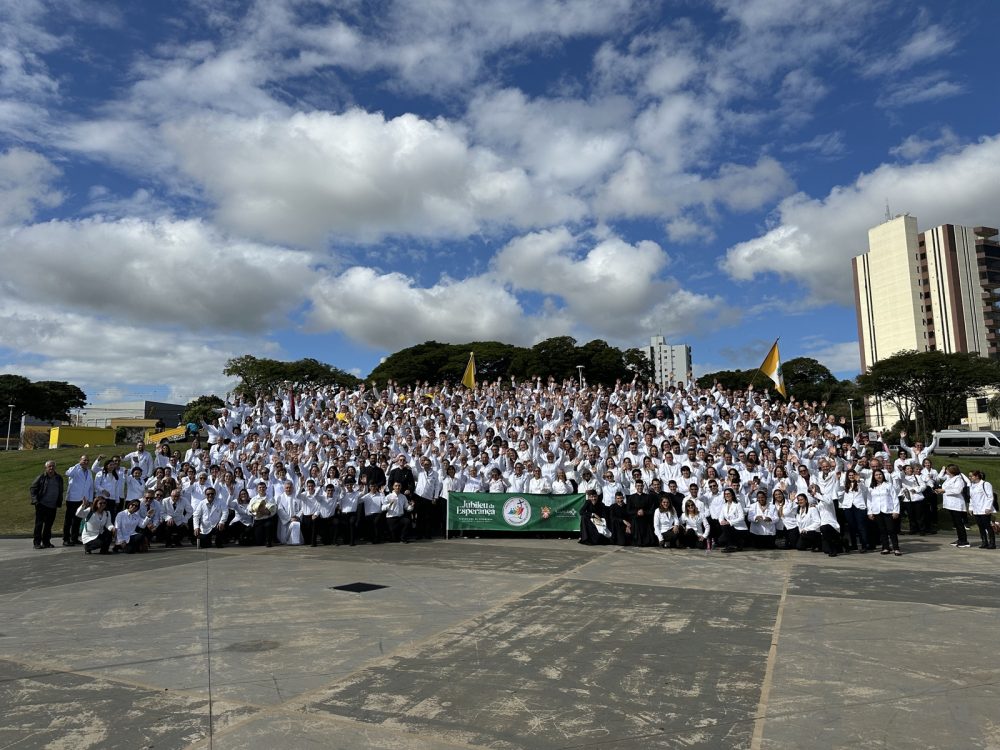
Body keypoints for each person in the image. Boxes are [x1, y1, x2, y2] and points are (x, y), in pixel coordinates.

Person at [29, 460, 63, 549]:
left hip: (53, 505)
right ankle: (37, 543)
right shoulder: (41, 477)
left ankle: (46, 542)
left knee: (48, 525)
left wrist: (59, 501)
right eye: (49, 466)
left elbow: (60, 490)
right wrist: (35, 501)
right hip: (42, 505)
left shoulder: (59, 478)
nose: (51, 468)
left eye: (53, 466)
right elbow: (33, 488)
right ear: (46, 468)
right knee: (39, 525)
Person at [936, 464, 971, 549]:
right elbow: (941, 478)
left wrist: (944, 490)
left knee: (959, 523)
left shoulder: (958, 479)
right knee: (956, 523)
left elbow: (957, 490)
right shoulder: (949, 478)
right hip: (950, 504)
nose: (946, 471)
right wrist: (940, 491)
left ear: (952, 471)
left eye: (947, 470)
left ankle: (964, 541)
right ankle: (960, 539)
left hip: (956, 504)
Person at [868, 469, 901, 556]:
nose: (878, 476)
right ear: (874, 477)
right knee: (882, 530)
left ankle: (896, 548)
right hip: (877, 511)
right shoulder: (871, 487)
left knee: (891, 529)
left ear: (883, 475)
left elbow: (895, 498)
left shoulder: (888, 485)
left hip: (888, 510)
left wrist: (896, 511)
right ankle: (886, 547)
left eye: (880, 474)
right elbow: (869, 500)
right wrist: (870, 512)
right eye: (876, 475)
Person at [63, 454, 93, 546]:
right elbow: (68, 473)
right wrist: (77, 465)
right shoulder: (75, 469)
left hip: (83, 500)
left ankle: (74, 538)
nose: (86, 462)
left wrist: (90, 499)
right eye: (84, 460)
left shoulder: (89, 472)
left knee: (77, 520)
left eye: (87, 460)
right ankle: (66, 539)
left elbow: (91, 487)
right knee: (69, 520)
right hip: (72, 499)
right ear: (80, 461)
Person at [967, 470, 997, 549]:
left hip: (984, 509)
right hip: (976, 510)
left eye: (971, 476)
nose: (969, 478)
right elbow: (971, 498)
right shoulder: (972, 485)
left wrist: (988, 507)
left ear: (977, 476)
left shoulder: (985, 484)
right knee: (980, 526)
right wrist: (970, 508)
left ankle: (992, 543)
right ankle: (984, 542)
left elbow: (990, 496)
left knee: (987, 526)